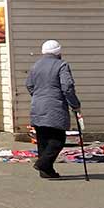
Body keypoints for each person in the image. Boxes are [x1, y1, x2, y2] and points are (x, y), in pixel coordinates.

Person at [26, 40, 81, 180]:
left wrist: (38, 96)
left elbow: (29, 85)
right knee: (58, 139)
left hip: (37, 105)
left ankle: (46, 171)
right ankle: (43, 164)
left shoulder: (36, 65)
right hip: (54, 106)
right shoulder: (61, 65)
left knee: (43, 140)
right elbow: (67, 87)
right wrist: (74, 104)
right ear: (58, 52)